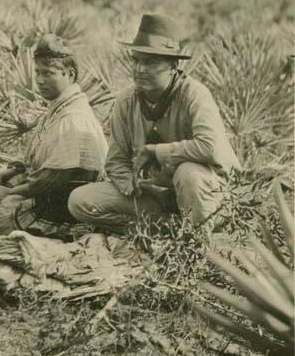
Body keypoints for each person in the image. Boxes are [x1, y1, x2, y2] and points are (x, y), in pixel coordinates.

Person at [68, 13, 240, 233]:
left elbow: (209, 146)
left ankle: (196, 238)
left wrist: (157, 151)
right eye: (136, 60)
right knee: (80, 200)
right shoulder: (126, 101)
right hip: (156, 198)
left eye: (150, 62)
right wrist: (134, 186)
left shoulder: (194, 95)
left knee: (189, 174)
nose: (139, 69)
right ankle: (165, 228)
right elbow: (115, 161)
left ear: (173, 66)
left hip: (207, 193)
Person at [0, 34, 108, 239]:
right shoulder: (59, 107)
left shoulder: (73, 118)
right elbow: (36, 162)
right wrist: (5, 175)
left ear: (70, 75)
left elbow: (53, 180)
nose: (40, 80)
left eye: (48, 73)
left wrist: (11, 193)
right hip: (47, 186)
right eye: (37, 73)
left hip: (63, 201)